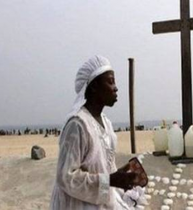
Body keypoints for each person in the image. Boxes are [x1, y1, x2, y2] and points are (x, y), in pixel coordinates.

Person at [50, 55, 138, 210]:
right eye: (110, 81)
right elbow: (65, 177)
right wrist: (110, 180)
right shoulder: (78, 125)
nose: (116, 87)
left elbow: (105, 169)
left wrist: (121, 177)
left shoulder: (106, 124)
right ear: (94, 86)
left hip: (101, 201)